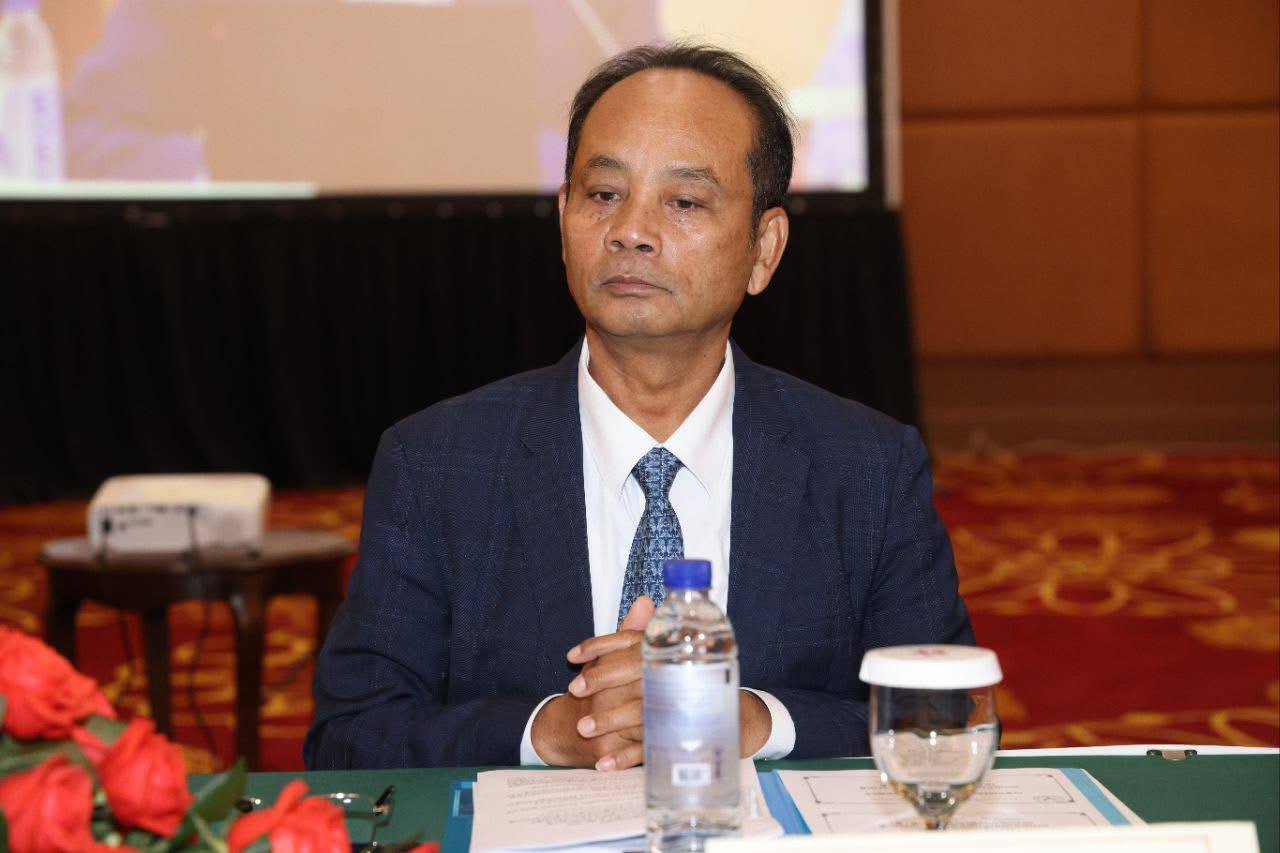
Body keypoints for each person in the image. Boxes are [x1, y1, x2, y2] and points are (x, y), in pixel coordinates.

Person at [304, 43, 973, 771]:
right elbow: (350, 738)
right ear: (563, 222)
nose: (631, 230)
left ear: (764, 249)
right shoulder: (437, 462)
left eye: (683, 202)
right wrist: (550, 731)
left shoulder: (868, 466)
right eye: (602, 194)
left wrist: (756, 721)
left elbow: (942, 722)